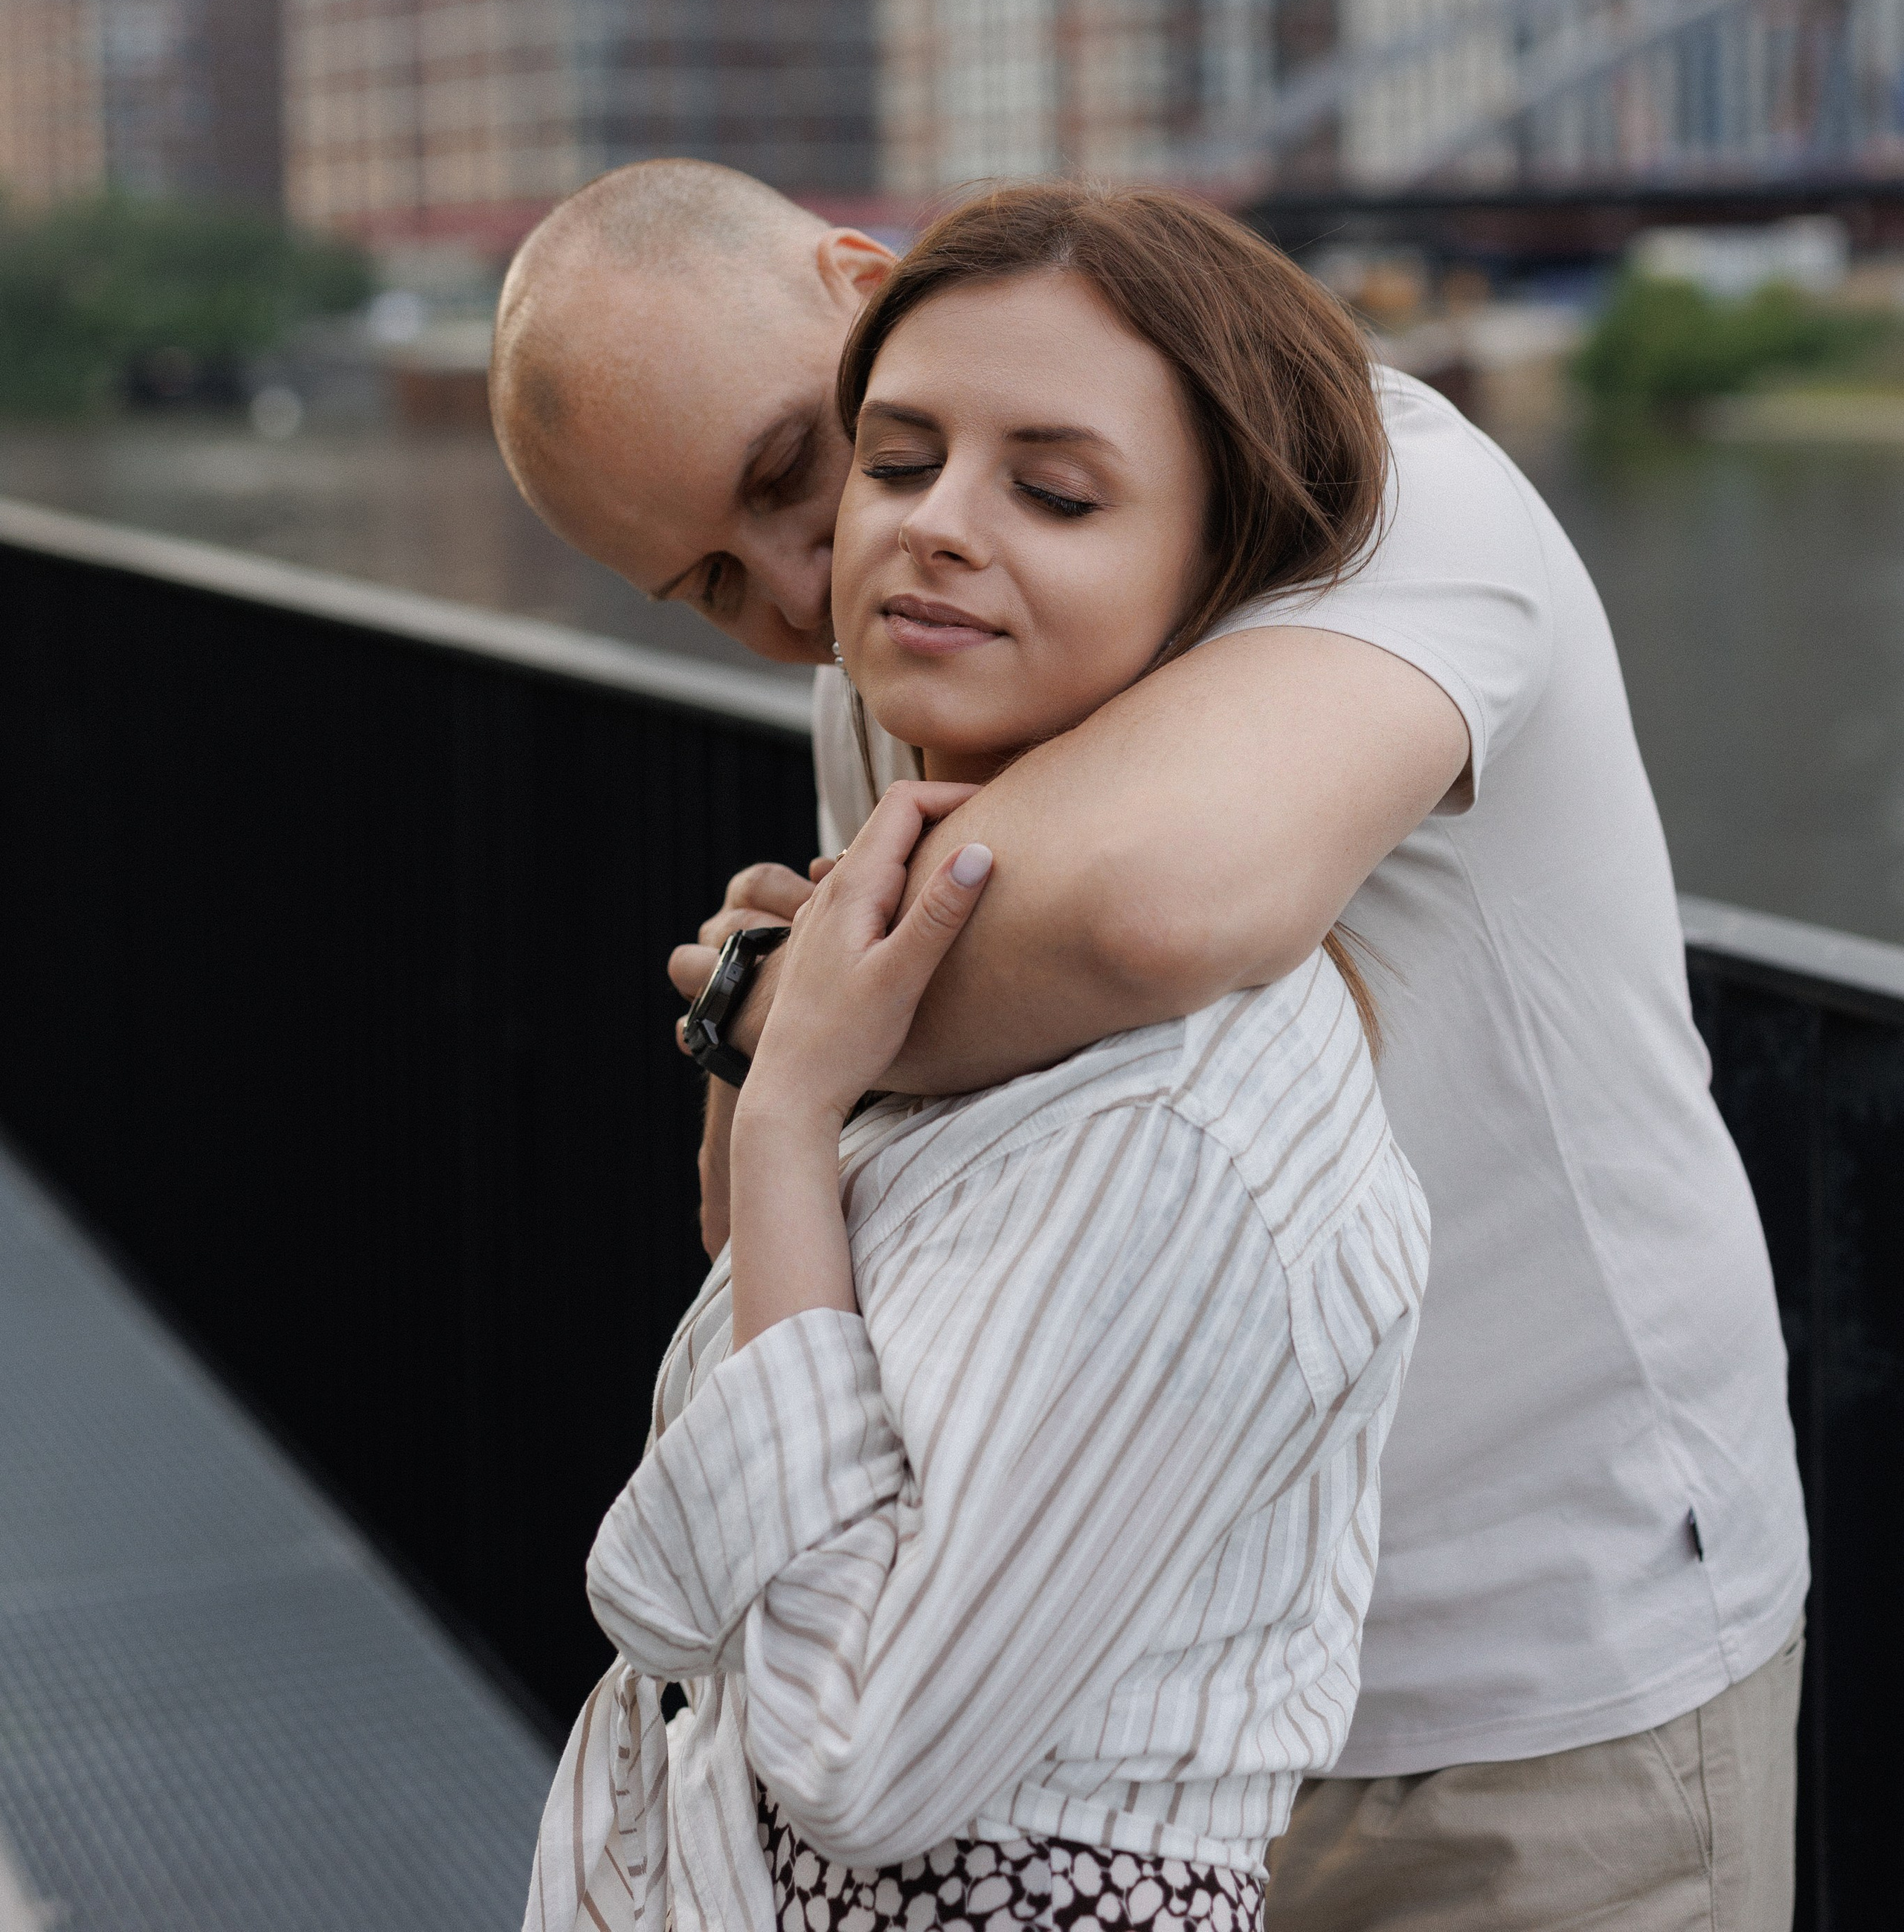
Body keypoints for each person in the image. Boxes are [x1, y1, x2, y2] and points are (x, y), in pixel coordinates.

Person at [494, 161, 1810, 1932]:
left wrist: (772, 1009)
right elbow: (800, 1219)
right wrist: (786, 1038)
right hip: (1107, 1708)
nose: (810, 586)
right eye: (712, 581)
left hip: (1525, 1670)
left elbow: (1153, 910)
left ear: (856, 280)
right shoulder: (906, 654)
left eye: (790, 473)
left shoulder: (1389, 492)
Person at [521, 187, 1430, 1932]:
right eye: (893, 463)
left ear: (1213, 566)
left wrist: (790, 1094)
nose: (836, 569)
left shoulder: (1180, 1114)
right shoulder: (911, 811)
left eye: (1054, 491)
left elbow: (860, 1753)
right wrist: (775, 1051)